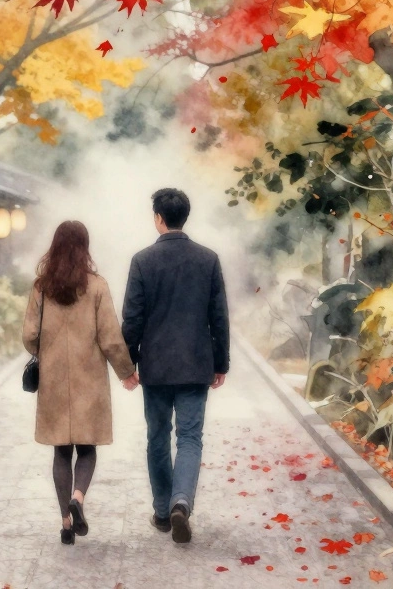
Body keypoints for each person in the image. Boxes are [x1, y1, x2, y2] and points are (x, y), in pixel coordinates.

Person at [122, 188, 230, 544]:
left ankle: (163, 511)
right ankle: (182, 500)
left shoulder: (142, 261)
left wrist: (127, 364)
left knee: (157, 437)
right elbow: (219, 317)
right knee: (190, 437)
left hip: (155, 366)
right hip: (196, 364)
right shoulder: (208, 259)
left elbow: (132, 319)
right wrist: (221, 362)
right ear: (185, 216)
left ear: (158, 218)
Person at [23, 220, 139, 546]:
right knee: (86, 448)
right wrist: (126, 371)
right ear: (85, 247)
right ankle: (79, 498)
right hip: (90, 380)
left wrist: (44, 350)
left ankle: (64, 523)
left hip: (54, 380)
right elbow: (111, 339)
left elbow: (29, 336)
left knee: (62, 451)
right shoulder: (97, 286)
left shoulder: (41, 287)